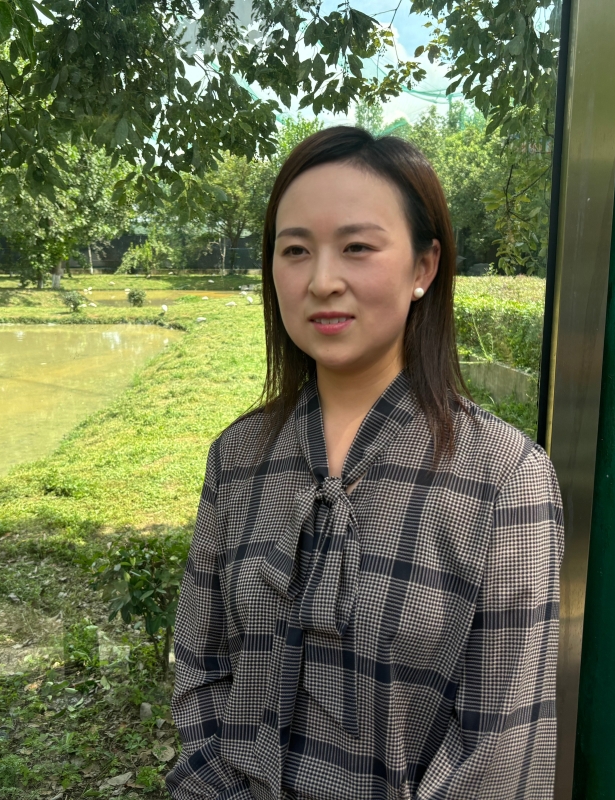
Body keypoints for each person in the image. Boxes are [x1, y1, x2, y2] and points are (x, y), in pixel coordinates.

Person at [166, 126, 563, 800]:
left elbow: (501, 752)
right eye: (296, 251)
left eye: (357, 248)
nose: (322, 281)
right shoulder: (238, 458)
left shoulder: (504, 477)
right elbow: (201, 670)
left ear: (423, 268)